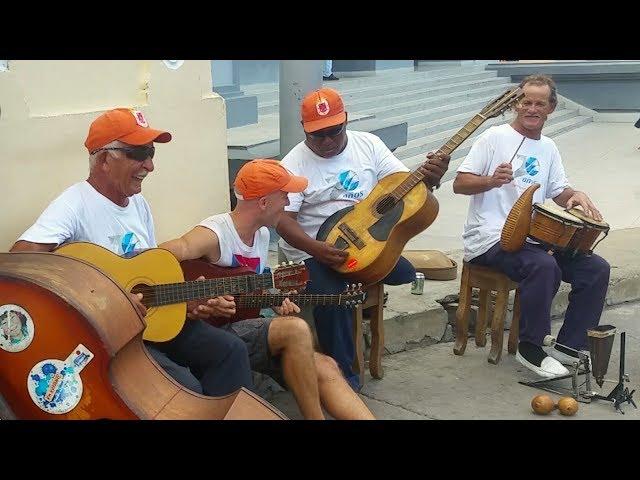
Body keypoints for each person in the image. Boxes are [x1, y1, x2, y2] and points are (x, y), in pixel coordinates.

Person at [10, 108, 254, 397]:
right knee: (183, 389)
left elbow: (147, 281)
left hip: (146, 328)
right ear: (103, 159)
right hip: (110, 336)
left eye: (151, 153)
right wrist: (103, 301)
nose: (149, 165)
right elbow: (21, 261)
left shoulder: (139, 204)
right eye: (139, 153)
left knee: (230, 350)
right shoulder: (74, 205)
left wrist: (189, 304)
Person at [159, 159, 375, 420]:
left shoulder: (261, 235)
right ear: (263, 202)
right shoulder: (216, 232)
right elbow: (175, 249)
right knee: (295, 329)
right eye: (284, 195)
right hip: (213, 336)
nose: (287, 203)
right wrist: (189, 292)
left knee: (326, 365)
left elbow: (255, 287)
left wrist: (275, 299)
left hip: (243, 327)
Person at [275, 87, 451, 391]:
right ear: (304, 130)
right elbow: (282, 220)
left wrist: (431, 179)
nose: (328, 141)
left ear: (346, 121)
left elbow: (402, 188)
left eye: (335, 131)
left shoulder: (368, 144)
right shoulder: (292, 164)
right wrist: (315, 248)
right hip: (310, 251)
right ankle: (345, 382)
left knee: (405, 272)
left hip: (363, 242)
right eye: (318, 135)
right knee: (337, 298)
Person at [452, 74, 610, 378]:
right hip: (489, 238)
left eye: (540, 103)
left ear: (551, 108)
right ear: (516, 104)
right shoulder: (494, 137)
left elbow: (558, 191)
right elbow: (460, 183)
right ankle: (531, 347)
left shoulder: (549, 147)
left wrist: (575, 195)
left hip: (533, 237)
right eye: (526, 101)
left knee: (596, 269)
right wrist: (490, 180)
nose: (532, 108)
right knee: (543, 266)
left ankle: (568, 346)